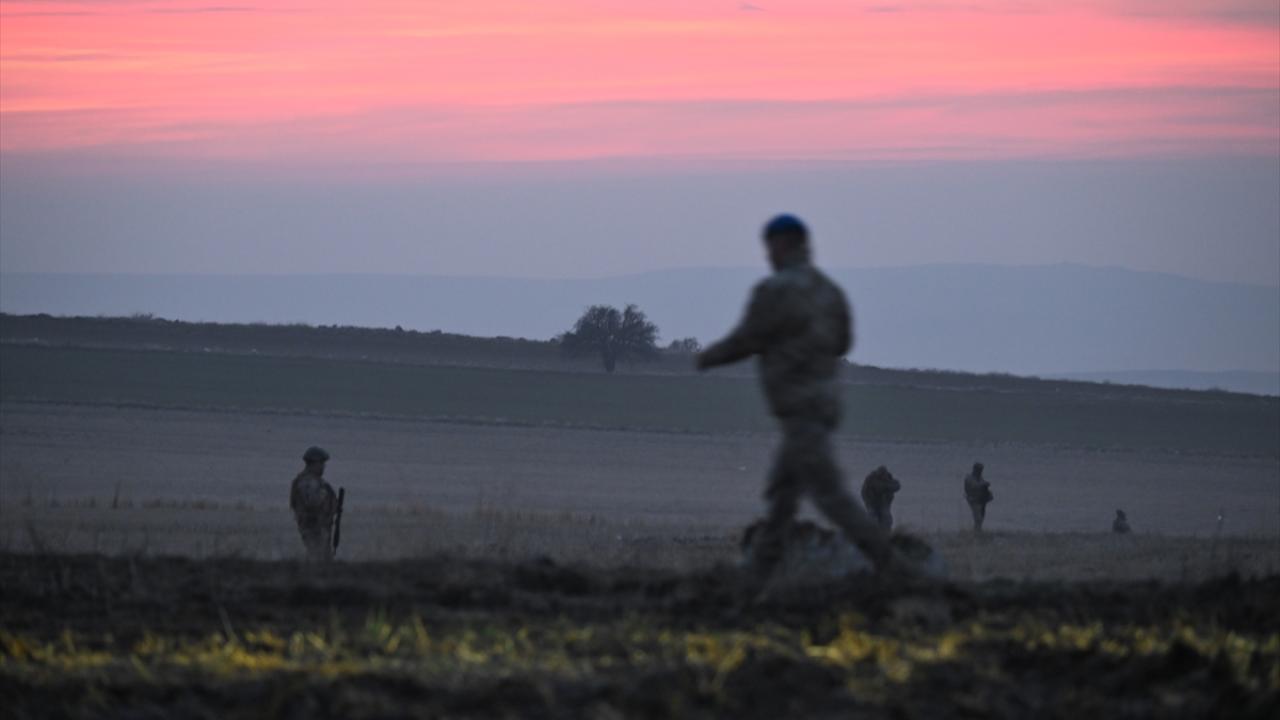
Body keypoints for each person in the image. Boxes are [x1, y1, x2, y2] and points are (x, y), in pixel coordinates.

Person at [697, 214, 907, 578]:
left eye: (771, 246)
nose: (767, 255)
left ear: (783, 244)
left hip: (799, 407)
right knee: (782, 495)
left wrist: (708, 357)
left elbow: (748, 338)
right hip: (823, 404)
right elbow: (843, 341)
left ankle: (895, 567)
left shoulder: (776, 291)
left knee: (832, 497)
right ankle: (759, 570)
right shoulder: (829, 291)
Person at [290, 445, 338, 561]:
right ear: (314, 463)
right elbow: (313, 503)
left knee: (322, 557)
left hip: (319, 527)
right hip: (313, 528)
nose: (323, 467)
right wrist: (325, 493)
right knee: (317, 556)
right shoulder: (307, 482)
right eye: (321, 463)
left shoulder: (313, 481)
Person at [860, 465, 901, 532]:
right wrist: (869, 501)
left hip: (884, 503)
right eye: (881, 474)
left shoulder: (888, 479)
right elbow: (864, 492)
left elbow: (897, 486)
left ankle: (886, 533)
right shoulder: (871, 480)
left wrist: (886, 487)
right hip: (872, 503)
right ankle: (872, 532)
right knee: (872, 517)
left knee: (886, 518)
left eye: (883, 474)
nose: (882, 476)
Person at [963, 462, 993, 532]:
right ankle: (977, 532)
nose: (980, 471)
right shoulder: (969, 478)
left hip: (981, 500)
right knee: (978, 518)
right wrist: (983, 484)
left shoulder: (979, 477)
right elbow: (974, 486)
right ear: (975, 469)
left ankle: (978, 531)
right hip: (973, 500)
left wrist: (985, 485)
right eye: (979, 469)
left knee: (981, 517)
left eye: (981, 469)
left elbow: (981, 484)